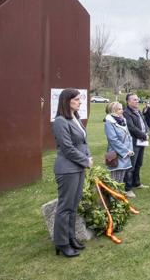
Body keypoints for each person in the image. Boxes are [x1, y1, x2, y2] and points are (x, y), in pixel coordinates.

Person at [51, 89, 92, 257]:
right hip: (67, 169)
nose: (80, 102)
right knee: (65, 207)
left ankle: (70, 237)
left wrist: (87, 157)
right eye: (76, 99)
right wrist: (85, 160)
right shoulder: (60, 121)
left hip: (78, 167)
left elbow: (82, 141)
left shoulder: (75, 118)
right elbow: (67, 148)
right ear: (67, 101)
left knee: (73, 206)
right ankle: (61, 243)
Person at [124, 93, 150, 198]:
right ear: (128, 101)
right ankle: (128, 188)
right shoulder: (126, 113)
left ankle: (137, 183)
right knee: (131, 165)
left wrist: (147, 131)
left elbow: (144, 123)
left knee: (139, 163)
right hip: (133, 142)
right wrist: (143, 135)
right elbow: (131, 127)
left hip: (142, 141)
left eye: (137, 99)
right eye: (134, 100)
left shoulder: (138, 111)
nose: (137, 101)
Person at [104, 102, 133, 182]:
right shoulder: (109, 122)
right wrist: (126, 151)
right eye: (119, 109)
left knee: (121, 178)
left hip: (125, 153)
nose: (122, 111)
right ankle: (112, 194)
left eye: (122, 109)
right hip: (115, 154)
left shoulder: (122, 120)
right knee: (114, 180)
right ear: (113, 110)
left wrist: (130, 150)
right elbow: (113, 139)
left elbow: (128, 136)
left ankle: (118, 193)